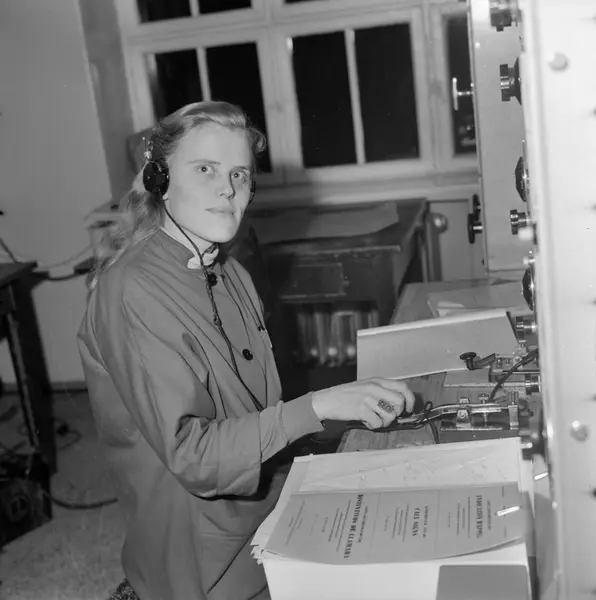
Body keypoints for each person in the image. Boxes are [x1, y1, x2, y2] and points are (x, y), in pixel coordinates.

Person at [78, 100, 415, 600]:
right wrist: (319, 406)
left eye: (239, 174)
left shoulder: (230, 270)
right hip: (198, 557)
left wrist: (341, 409)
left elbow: (257, 412)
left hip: (258, 503)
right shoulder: (132, 291)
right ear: (158, 179)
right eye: (205, 169)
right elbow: (194, 456)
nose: (227, 188)